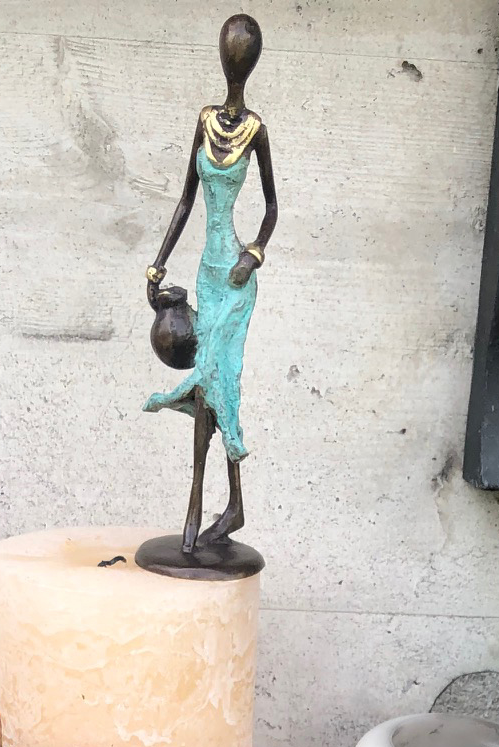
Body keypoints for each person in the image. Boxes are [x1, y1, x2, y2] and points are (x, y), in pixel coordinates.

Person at [144, 14, 278, 555]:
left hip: (236, 280)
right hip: (207, 272)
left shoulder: (256, 130)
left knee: (214, 380)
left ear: (250, 61)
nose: (234, 59)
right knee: (212, 382)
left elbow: (272, 209)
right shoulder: (204, 121)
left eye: (241, 52)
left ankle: (199, 499)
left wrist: (254, 254)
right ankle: (231, 504)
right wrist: (157, 264)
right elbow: (185, 200)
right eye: (230, 50)